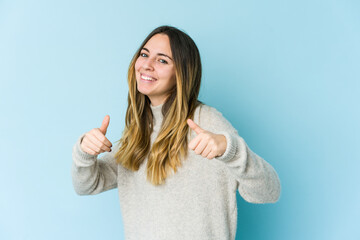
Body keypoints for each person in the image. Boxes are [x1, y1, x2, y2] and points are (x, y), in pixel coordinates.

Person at [71, 25, 281, 240]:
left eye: (162, 60)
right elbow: (87, 185)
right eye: (144, 54)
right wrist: (84, 152)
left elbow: (268, 192)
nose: (147, 65)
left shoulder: (204, 121)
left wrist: (231, 150)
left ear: (182, 72)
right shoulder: (138, 133)